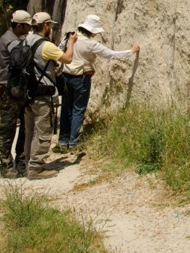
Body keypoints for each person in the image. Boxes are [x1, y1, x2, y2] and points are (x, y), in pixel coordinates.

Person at [55, 15, 139, 154]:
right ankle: (74, 142)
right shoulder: (91, 44)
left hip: (66, 77)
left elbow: (58, 51)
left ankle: (63, 141)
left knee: (66, 108)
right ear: (92, 31)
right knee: (78, 110)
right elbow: (111, 54)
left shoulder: (69, 37)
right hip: (81, 78)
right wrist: (131, 52)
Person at [22, 12, 76, 180]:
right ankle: (36, 169)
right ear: (45, 26)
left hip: (27, 93)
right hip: (42, 94)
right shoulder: (46, 45)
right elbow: (67, 58)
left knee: (29, 132)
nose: (51, 29)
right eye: (50, 26)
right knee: (43, 131)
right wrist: (71, 43)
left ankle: (27, 164)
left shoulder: (26, 41)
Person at [0, 10, 33, 178]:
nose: (29, 28)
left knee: (24, 126)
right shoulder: (10, 41)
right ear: (18, 25)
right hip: (7, 88)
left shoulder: (14, 39)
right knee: (8, 128)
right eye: (26, 25)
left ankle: (21, 162)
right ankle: (7, 164)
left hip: (15, 87)